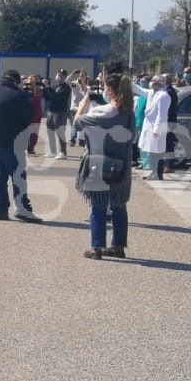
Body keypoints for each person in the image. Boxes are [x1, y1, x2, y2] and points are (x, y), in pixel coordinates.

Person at [74, 73, 136, 260]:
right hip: (121, 165)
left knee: (98, 205)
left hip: (98, 163)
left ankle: (97, 247)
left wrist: (84, 103)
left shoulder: (101, 112)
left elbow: (77, 123)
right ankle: (118, 246)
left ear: (109, 90)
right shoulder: (129, 113)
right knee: (119, 205)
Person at [0, 70, 39, 222]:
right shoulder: (16, 95)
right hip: (11, 141)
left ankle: (1, 209)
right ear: (16, 81)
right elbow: (29, 114)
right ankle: (22, 208)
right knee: (18, 175)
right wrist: (27, 98)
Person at [140, 77, 171, 180]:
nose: (152, 83)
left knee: (157, 152)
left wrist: (157, 129)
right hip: (149, 127)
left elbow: (161, 114)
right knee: (151, 152)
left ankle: (158, 173)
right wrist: (126, 82)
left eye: (154, 81)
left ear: (159, 83)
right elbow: (139, 90)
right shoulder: (152, 93)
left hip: (157, 128)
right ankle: (154, 172)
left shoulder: (163, 95)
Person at [43, 70, 73, 159]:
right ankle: (52, 151)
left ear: (64, 76)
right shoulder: (54, 86)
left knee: (60, 132)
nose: (57, 76)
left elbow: (56, 97)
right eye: (57, 74)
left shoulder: (66, 88)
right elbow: (47, 97)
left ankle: (63, 152)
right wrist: (45, 88)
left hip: (60, 112)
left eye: (59, 75)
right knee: (50, 131)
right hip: (51, 111)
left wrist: (48, 87)